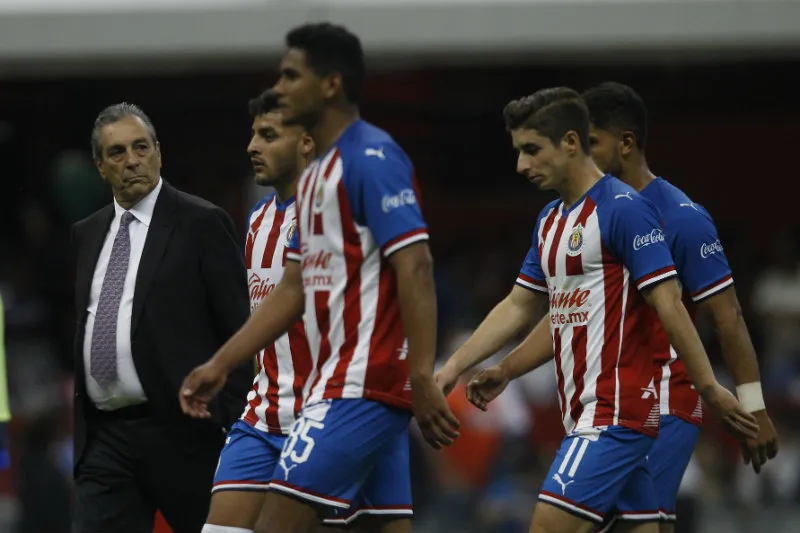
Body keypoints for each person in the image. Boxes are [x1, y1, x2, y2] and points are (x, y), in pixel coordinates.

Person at [180, 22, 459, 533]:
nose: (280, 88)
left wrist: (421, 373)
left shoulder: (374, 157)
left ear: (330, 84)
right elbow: (293, 289)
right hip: (315, 396)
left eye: (291, 76)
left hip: (364, 387)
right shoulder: (311, 185)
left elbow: (416, 265)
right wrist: (223, 363)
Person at [455, 87, 758, 533]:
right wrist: (506, 367)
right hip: (592, 405)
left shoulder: (666, 215)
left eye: (592, 142)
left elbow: (719, 314)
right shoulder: (558, 219)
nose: (523, 164)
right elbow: (562, 313)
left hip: (648, 401)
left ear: (623, 143)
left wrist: (745, 401)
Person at [577, 81, 778, 532]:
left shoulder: (682, 217)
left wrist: (755, 408)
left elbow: (728, 318)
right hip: (608, 399)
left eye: (592, 144)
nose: (583, 158)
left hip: (667, 400)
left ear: (626, 143)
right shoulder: (591, 213)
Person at [72, 103, 252, 533]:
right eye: (116, 153)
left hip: (185, 434)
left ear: (158, 152)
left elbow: (240, 331)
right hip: (105, 438)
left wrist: (226, 422)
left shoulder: (200, 223)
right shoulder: (86, 234)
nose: (131, 160)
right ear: (100, 166)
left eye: (141, 147)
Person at [202, 88, 317, 533]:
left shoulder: (338, 214)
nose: (252, 147)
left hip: (323, 420)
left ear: (305, 141)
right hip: (261, 418)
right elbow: (261, 320)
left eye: (268, 135)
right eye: (253, 135)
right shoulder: (257, 218)